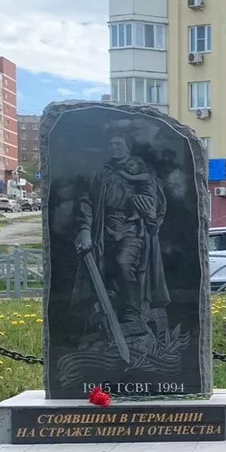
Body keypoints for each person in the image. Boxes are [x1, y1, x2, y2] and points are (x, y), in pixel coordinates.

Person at [73, 133, 170, 342]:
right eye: (110, 144)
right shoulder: (100, 173)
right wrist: (84, 229)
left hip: (132, 228)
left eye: (118, 143)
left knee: (124, 263)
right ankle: (104, 313)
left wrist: (147, 210)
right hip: (103, 229)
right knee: (104, 270)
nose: (113, 147)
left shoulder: (141, 170)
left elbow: (155, 203)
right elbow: (86, 201)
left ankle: (131, 312)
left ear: (127, 148)